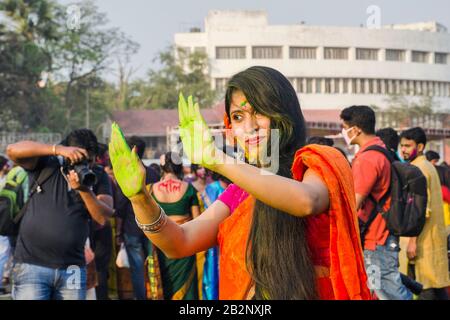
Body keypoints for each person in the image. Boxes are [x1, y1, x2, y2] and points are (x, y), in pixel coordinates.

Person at [109, 66, 370, 300]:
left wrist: (216, 159)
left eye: (260, 112)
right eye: (238, 117)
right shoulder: (239, 192)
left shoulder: (318, 162)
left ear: (283, 113)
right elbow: (179, 243)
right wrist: (139, 198)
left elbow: (306, 201)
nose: (250, 127)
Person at [6, 129, 114, 300]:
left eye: (89, 160)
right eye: (79, 159)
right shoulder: (47, 164)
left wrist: (84, 190)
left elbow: (102, 217)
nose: (85, 165)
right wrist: (57, 149)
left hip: (73, 267)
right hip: (32, 264)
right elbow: (12, 150)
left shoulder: (96, 175)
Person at [340, 106, 412, 300]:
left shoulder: (367, 159)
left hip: (376, 239)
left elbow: (353, 203)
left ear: (355, 129)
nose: (343, 132)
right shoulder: (380, 149)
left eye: (344, 127)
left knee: (387, 293)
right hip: (382, 235)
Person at [399, 127, 450, 300]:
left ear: (419, 147)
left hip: (421, 240)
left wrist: (412, 241)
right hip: (431, 238)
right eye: (402, 146)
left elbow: (421, 210)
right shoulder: (427, 165)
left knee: (424, 286)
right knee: (436, 286)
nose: (403, 150)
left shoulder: (418, 169)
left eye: (407, 145)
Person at [145, 151, 200, 300]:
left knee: (162, 284)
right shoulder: (189, 189)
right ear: (180, 167)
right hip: (184, 243)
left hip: (159, 244)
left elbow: (145, 218)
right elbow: (197, 222)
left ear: (162, 168)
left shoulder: (150, 189)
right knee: (187, 291)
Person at [115, 136, 159, 300]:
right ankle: (155, 295)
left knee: (137, 267)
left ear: (131, 151)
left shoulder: (125, 174)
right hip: (153, 226)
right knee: (153, 264)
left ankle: (141, 297)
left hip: (132, 228)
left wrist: (118, 232)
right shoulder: (153, 173)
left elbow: (120, 206)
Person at [200, 172, 231, 300]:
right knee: (212, 276)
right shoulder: (210, 189)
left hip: (231, 240)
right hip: (214, 241)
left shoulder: (239, 189)